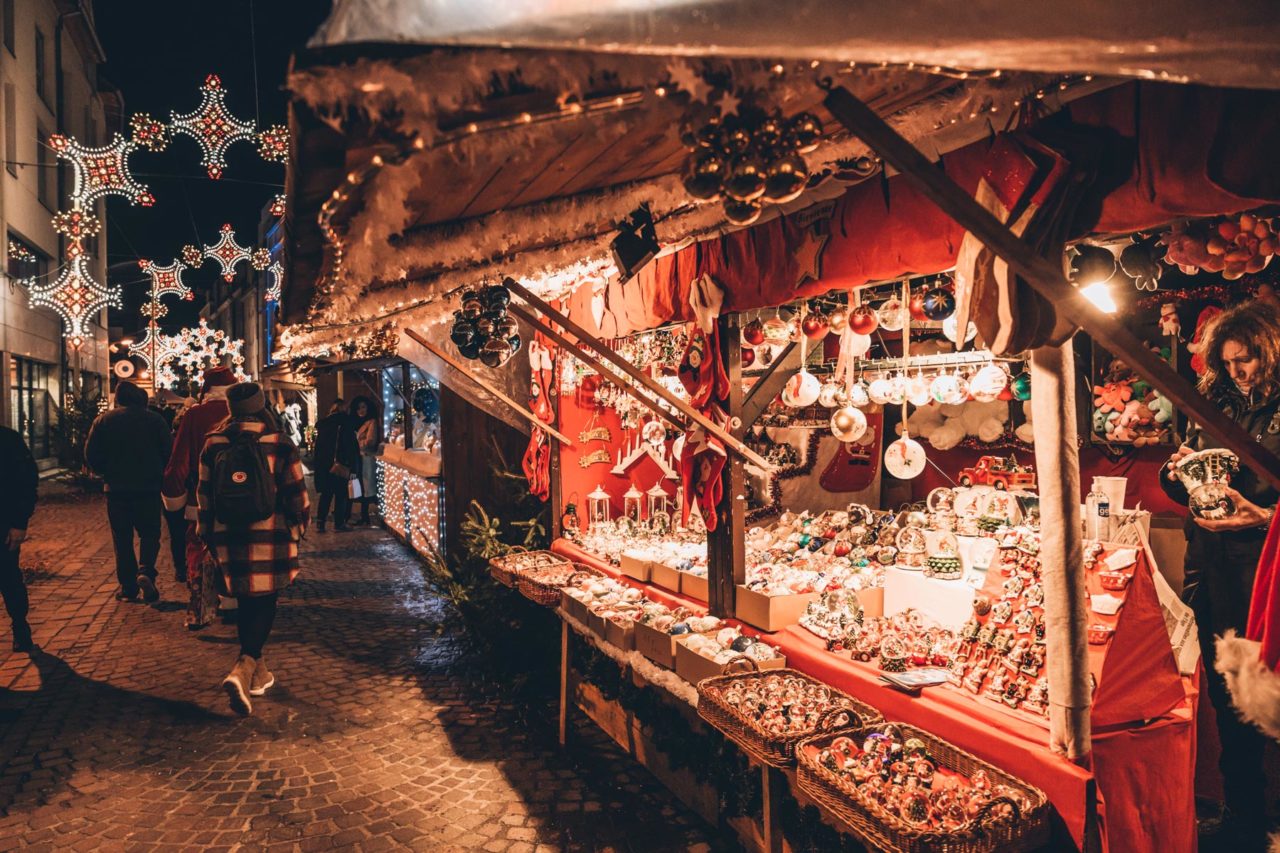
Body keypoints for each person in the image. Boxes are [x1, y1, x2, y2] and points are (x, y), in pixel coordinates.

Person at [1161, 299, 1280, 847]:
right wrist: (1176, 473)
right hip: (1209, 569)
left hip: (1267, 574)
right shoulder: (1209, 401)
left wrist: (1264, 517)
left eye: (1248, 359)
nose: (1240, 371)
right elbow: (1184, 480)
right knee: (1226, 700)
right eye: (1229, 362)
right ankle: (1242, 820)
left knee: (1271, 697)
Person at [196, 383, 309, 716]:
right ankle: (243, 667)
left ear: (231, 408)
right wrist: (298, 527)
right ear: (261, 406)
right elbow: (297, 495)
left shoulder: (213, 444)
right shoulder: (278, 443)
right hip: (270, 536)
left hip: (228, 536)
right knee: (265, 600)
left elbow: (203, 496)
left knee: (246, 600)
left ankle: (258, 675)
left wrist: (207, 535)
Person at [162, 367, 238, 628]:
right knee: (234, 547)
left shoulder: (195, 415)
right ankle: (232, 600)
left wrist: (174, 495)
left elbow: (178, 462)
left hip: (201, 496)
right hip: (241, 496)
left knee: (199, 546)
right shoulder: (242, 413)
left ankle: (201, 599)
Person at [85, 380, 172, 603]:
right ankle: (146, 571)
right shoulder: (155, 419)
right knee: (150, 533)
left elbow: (91, 454)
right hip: (149, 487)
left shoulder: (104, 420)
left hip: (117, 489)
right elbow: (168, 451)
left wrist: (106, 471)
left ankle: (128, 586)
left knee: (122, 538)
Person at [0, 425, 37, 652]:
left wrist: (19, 523)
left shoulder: (7, 440)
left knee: (8, 577)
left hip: (3, 525)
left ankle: (20, 627)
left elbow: (25, 480)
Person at [312, 399, 359, 533]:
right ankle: (339, 523)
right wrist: (354, 467)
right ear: (344, 409)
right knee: (341, 495)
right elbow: (350, 447)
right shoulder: (346, 423)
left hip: (325, 465)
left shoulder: (324, 425)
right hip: (341, 465)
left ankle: (320, 523)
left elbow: (319, 449)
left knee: (326, 495)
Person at [347, 396, 380, 526]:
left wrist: (357, 444)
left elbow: (371, 441)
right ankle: (362, 515)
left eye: (363, 407)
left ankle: (365, 516)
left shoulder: (371, 422)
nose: (361, 410)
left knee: (366, 487)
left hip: (366, 457)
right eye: (358, 408)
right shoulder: (356, 422)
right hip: (358, 458)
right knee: (359, 485)